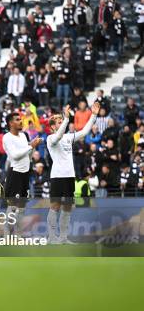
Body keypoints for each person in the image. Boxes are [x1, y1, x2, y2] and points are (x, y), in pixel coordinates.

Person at [46, 103, 99, 244]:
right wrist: (66, 119)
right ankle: (52, 237)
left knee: (68, 207)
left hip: (70, 176)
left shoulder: (68, 138)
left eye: (61, 121)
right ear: (52, 127)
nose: (61, 123)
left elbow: (85, 132)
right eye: (58, 122)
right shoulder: (50, 139)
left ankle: (63, 238)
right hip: (57, 176)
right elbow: (58, 137)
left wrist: (93, 115)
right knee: (55, 207)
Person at [2, 112, 43, 232]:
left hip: (25, 174)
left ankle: (18, 235)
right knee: (13, 207)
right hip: (15, 174)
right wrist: (31, 146)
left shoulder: (24, 136)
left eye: (20, 119)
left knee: (22, 207)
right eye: (17, 119)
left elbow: (28, 156)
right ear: (10, 123)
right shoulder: (7, 137)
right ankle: (6, 235)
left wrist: (33, 147)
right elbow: (14, 156)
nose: (21, 121)